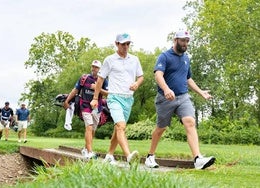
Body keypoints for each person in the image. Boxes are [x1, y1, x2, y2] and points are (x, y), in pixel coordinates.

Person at [145, 30, 216, 170]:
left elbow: (188, 78)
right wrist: (166, 89)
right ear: (175, 40)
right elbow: (158, 75)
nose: (185, 43)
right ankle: (150, 156)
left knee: (190, 122)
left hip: (183, 96)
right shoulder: (164, 56)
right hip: (165, 98)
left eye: (187, 41)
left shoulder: (186, 58)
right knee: (161, 128)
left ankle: (198, 159)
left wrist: (201, 92)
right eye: (183, 40)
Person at [90, 33, 144, 164]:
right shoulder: (110, 60)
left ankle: (109, 155)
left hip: (128, 99)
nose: (126, 46)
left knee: (118, 128)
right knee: (120, 126)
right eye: (123, 44)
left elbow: (141, 76)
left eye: (128, 44)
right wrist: (95, 98)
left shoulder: (134, 59)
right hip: (114, 97)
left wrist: (137, 83)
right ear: (116, 44)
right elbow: (100, 80)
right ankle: (128, 156)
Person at [64, 60, 108, 159]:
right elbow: (75, 90)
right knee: (89, 126)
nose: (94, 69)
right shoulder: (84, 78)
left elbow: (108, 94)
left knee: (93, 130)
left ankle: (85, 148)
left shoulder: (104, 80)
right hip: (85, 106)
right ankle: (90, 152)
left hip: (97, 107)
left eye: (96, 67)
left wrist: (97, 88)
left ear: (100, 69)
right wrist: (67, 101)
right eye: (93, 66)